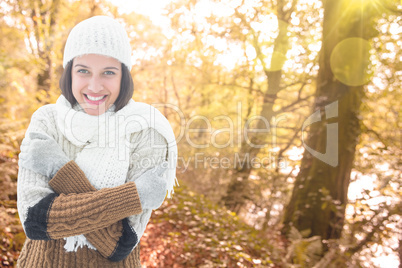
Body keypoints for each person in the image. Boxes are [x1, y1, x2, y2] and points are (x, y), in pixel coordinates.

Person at [16, 16, 178, 267]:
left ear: (124, 77)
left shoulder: (147, 130)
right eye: (83, 70)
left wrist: (58, 168)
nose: (94, 86)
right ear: (69, 72)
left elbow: (120, 242)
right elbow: (34, 220)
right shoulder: (47, 120)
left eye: (108, 73)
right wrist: (134, 196)